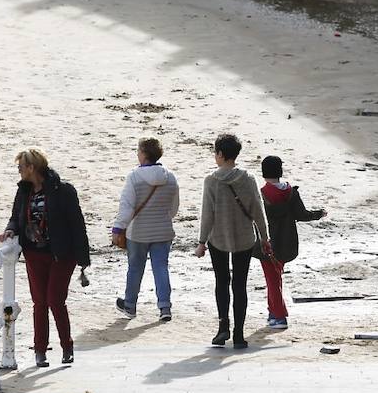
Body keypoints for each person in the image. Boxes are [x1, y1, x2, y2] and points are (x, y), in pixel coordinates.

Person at [0, 148, 90, 368]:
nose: (19, 171)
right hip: (34, 253)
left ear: (31, 168)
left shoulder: (63, 190)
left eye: (21, 167)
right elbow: (15, 217)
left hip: (61, 254)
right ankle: (40, 350)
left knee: (55, 301)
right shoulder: (23, 191)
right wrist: (10, 230)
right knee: (39, 303)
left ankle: (66, 346)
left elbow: (77, 224)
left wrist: (83, 258)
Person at [194, 134, 270, 349]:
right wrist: (265, 237)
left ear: (219, 154)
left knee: (221, 282)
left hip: (218, 238)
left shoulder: (211, 180)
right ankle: (238, 334)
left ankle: (223, 327)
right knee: (240, 285)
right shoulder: (248, 178)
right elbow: (258, 210)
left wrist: (201, 242)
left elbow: (207, 214)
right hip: (245, 238)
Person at [112, 137, 180, 322]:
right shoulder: (170, 177)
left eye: (139, 151)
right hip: (163, 230)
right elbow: (173, 208)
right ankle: (165, 307)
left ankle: (130, 306)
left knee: (135, 268)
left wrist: (118, 228)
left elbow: (126, 206)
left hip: (138, 232)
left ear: (144, 154)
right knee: (161, 268)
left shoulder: (134, 176)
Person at [258, 156, 326, 329]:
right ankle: (273, 312)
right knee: (276, 277)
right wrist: (319, 213)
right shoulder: (291, 193)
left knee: (272, 279)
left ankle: (279, 317)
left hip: (268, 242)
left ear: (264, 172)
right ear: (280, 172)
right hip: (287, 242)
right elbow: (302, 215)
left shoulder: (263, 193)